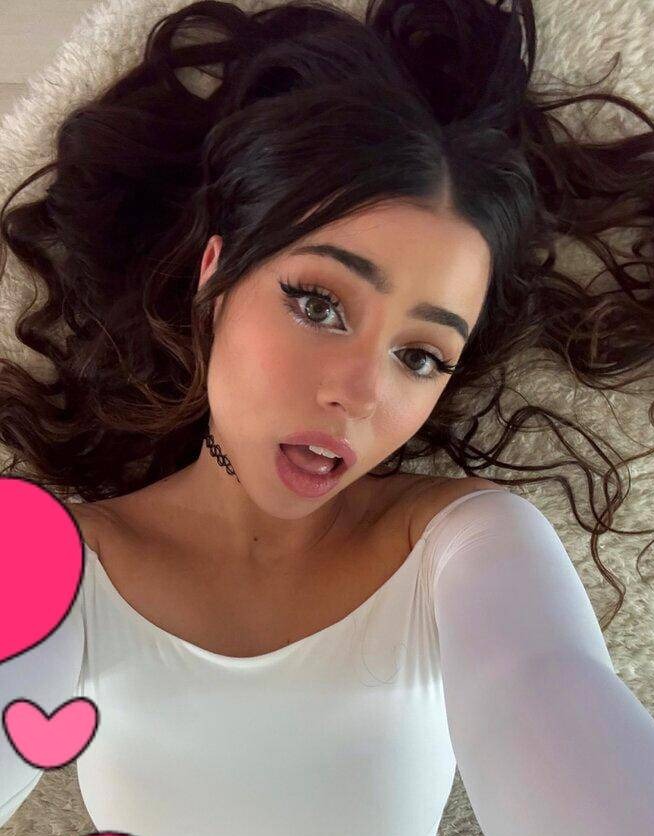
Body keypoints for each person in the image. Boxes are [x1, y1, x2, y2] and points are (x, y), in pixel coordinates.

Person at [2, 0, 654, 832]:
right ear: (216, 275)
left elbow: (546, 689)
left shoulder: (468, 546)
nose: (360, 393)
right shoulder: (57, 560)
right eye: (318, 304)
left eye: (420, 356)